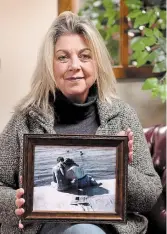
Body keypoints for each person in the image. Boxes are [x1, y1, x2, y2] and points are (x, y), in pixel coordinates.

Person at [0, 11, 162, 234]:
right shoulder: (25, 120)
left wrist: (121, 168)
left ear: (97, 63)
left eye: (85, 56)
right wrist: (14, 203)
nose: (74, 65)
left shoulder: (122, 116)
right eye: (63, 57)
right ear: (50, 65)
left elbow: (150, 197)